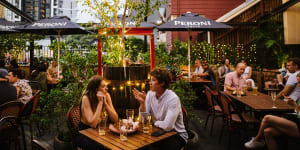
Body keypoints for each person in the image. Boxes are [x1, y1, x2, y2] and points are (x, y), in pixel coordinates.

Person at [132, 68, 188, 150]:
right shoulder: (150, 94)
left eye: (153, 80)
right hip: (158, 132)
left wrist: (154, 122)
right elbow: (143, 120)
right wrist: (142, 103)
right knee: (139, 145)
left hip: (177, 134)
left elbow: (168, 126)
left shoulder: (172, 99)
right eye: (150, 80)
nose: (150, 83)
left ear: (162, 83)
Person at [244, 72, 300, 150]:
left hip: (298, 125)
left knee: (267, 118)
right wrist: (294, 104)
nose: (298, 85)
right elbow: (298, 112)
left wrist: (294, 105)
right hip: (295, 121)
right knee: (267, 132)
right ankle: (259, 140)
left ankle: (257, 139)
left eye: (299, 83)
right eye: (298, 83)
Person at [76, 76, 118, 150]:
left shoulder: (107, 95)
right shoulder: (86, 98)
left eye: (106, 86)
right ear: (96, 89)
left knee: (117, 143)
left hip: (100, 132)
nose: (106, 88)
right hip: (85, 134)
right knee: (104, 147)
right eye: (103, 86)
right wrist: (100, 102)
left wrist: (105, 104)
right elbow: (93, 124)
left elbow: (115, 119)